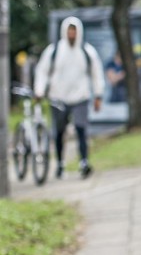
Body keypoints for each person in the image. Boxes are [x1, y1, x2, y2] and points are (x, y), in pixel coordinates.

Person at [34, 16, 105, 179]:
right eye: (69, 31)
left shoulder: (87, 51)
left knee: (81, 129)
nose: (72, 34)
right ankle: (60, 163)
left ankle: (84, 162)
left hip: (80, 97)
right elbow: (42, 71)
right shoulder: (54, 51)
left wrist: (98, 94)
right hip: (58, 97)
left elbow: (96, 74)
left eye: (74, 31)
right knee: (59, 132)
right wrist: (39, 90)